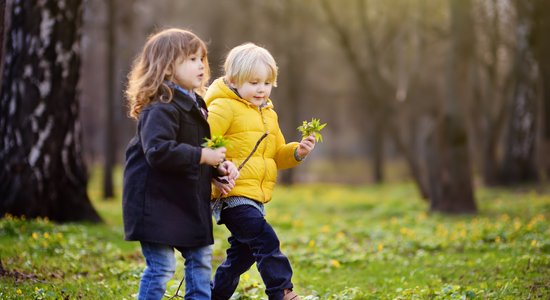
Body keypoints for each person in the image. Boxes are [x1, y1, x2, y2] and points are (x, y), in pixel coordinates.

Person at [122, 28, 238, 300]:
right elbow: (158, 151)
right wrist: (201, 156)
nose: (201, 65)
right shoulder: (160, 106)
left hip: (186, 200)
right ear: (166, 66)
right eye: (191, 59)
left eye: (202, 59)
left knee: (200, 258)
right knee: (161, 267)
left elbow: (197, 149)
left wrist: (216, 169)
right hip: (154, 202)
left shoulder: (196, 103)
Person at [204, 43, 316, 300]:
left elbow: (276, 154)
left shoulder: (268, 114)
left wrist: (298, 151)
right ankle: (283, 292)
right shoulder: (223, 107)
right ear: (234, 79)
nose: (261, 89)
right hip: (232, 195)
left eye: (267, 83)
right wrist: (218, 168)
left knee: (241, 257)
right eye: (254, 82)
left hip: (255, 197)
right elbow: (203, 141)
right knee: (266, 240)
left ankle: (211, 295)